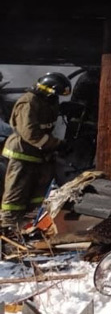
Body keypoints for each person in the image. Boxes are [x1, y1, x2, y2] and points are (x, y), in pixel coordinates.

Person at [1, 73, 70, 229]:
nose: (57, 97)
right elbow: (30, 134)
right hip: (22, 152)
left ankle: (31, 218)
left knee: (38, 190)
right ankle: (9, 221)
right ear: (48, 90)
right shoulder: (28, 102)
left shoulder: (47, 101)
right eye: (56, 94)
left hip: (38, 154)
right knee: (17, 189)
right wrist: (56, 144)